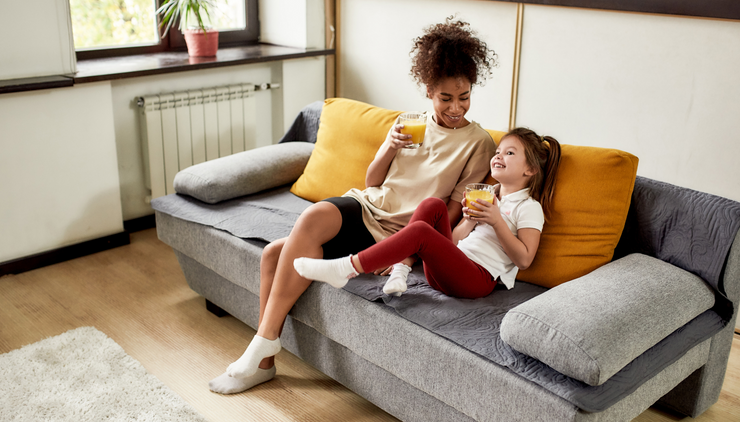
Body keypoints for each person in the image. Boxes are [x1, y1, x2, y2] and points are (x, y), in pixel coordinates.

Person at [208, 17, 498, 394]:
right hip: (367, 207)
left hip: (398, 232)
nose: (456, 107)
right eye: (446, 98)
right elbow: (372, 183)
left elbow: (449, 212)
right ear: (428, 90)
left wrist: (406, 255)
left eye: (464, 97)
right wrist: (391, 145)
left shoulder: (480, 144)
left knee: (275, 256)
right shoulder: (407, 123)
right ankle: (263, 356)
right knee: (301, 227)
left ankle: (261, 354)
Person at [294, 127, 562, 299]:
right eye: (498, 151)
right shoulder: (490, 195)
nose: (498, 156)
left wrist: (497, 221)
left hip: (475, 280)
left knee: (422, 232)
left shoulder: (529, 207)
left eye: (510, 152)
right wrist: (468, 221)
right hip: (450, 267)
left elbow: (525, 259)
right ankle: (401, 268)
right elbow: (455, 241)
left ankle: (346, 268)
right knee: (432, 204)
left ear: (530, 170)